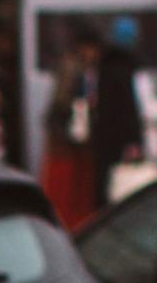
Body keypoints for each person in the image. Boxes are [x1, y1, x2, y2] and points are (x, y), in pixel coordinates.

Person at [41, 27, 102, 227]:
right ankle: (64, 220)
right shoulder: (72, 67)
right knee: (65, 182)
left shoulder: (81, 67)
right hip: (65, 134)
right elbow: (62, 101)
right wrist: (83, 105)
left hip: (70, 132)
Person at [92, 16, 145, 208]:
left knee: (105, 183)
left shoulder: (105, 64)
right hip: (120, 137)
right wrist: (135, 139)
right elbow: (128, 107)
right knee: (120, 189)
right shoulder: (125, 67)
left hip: (104, 135)